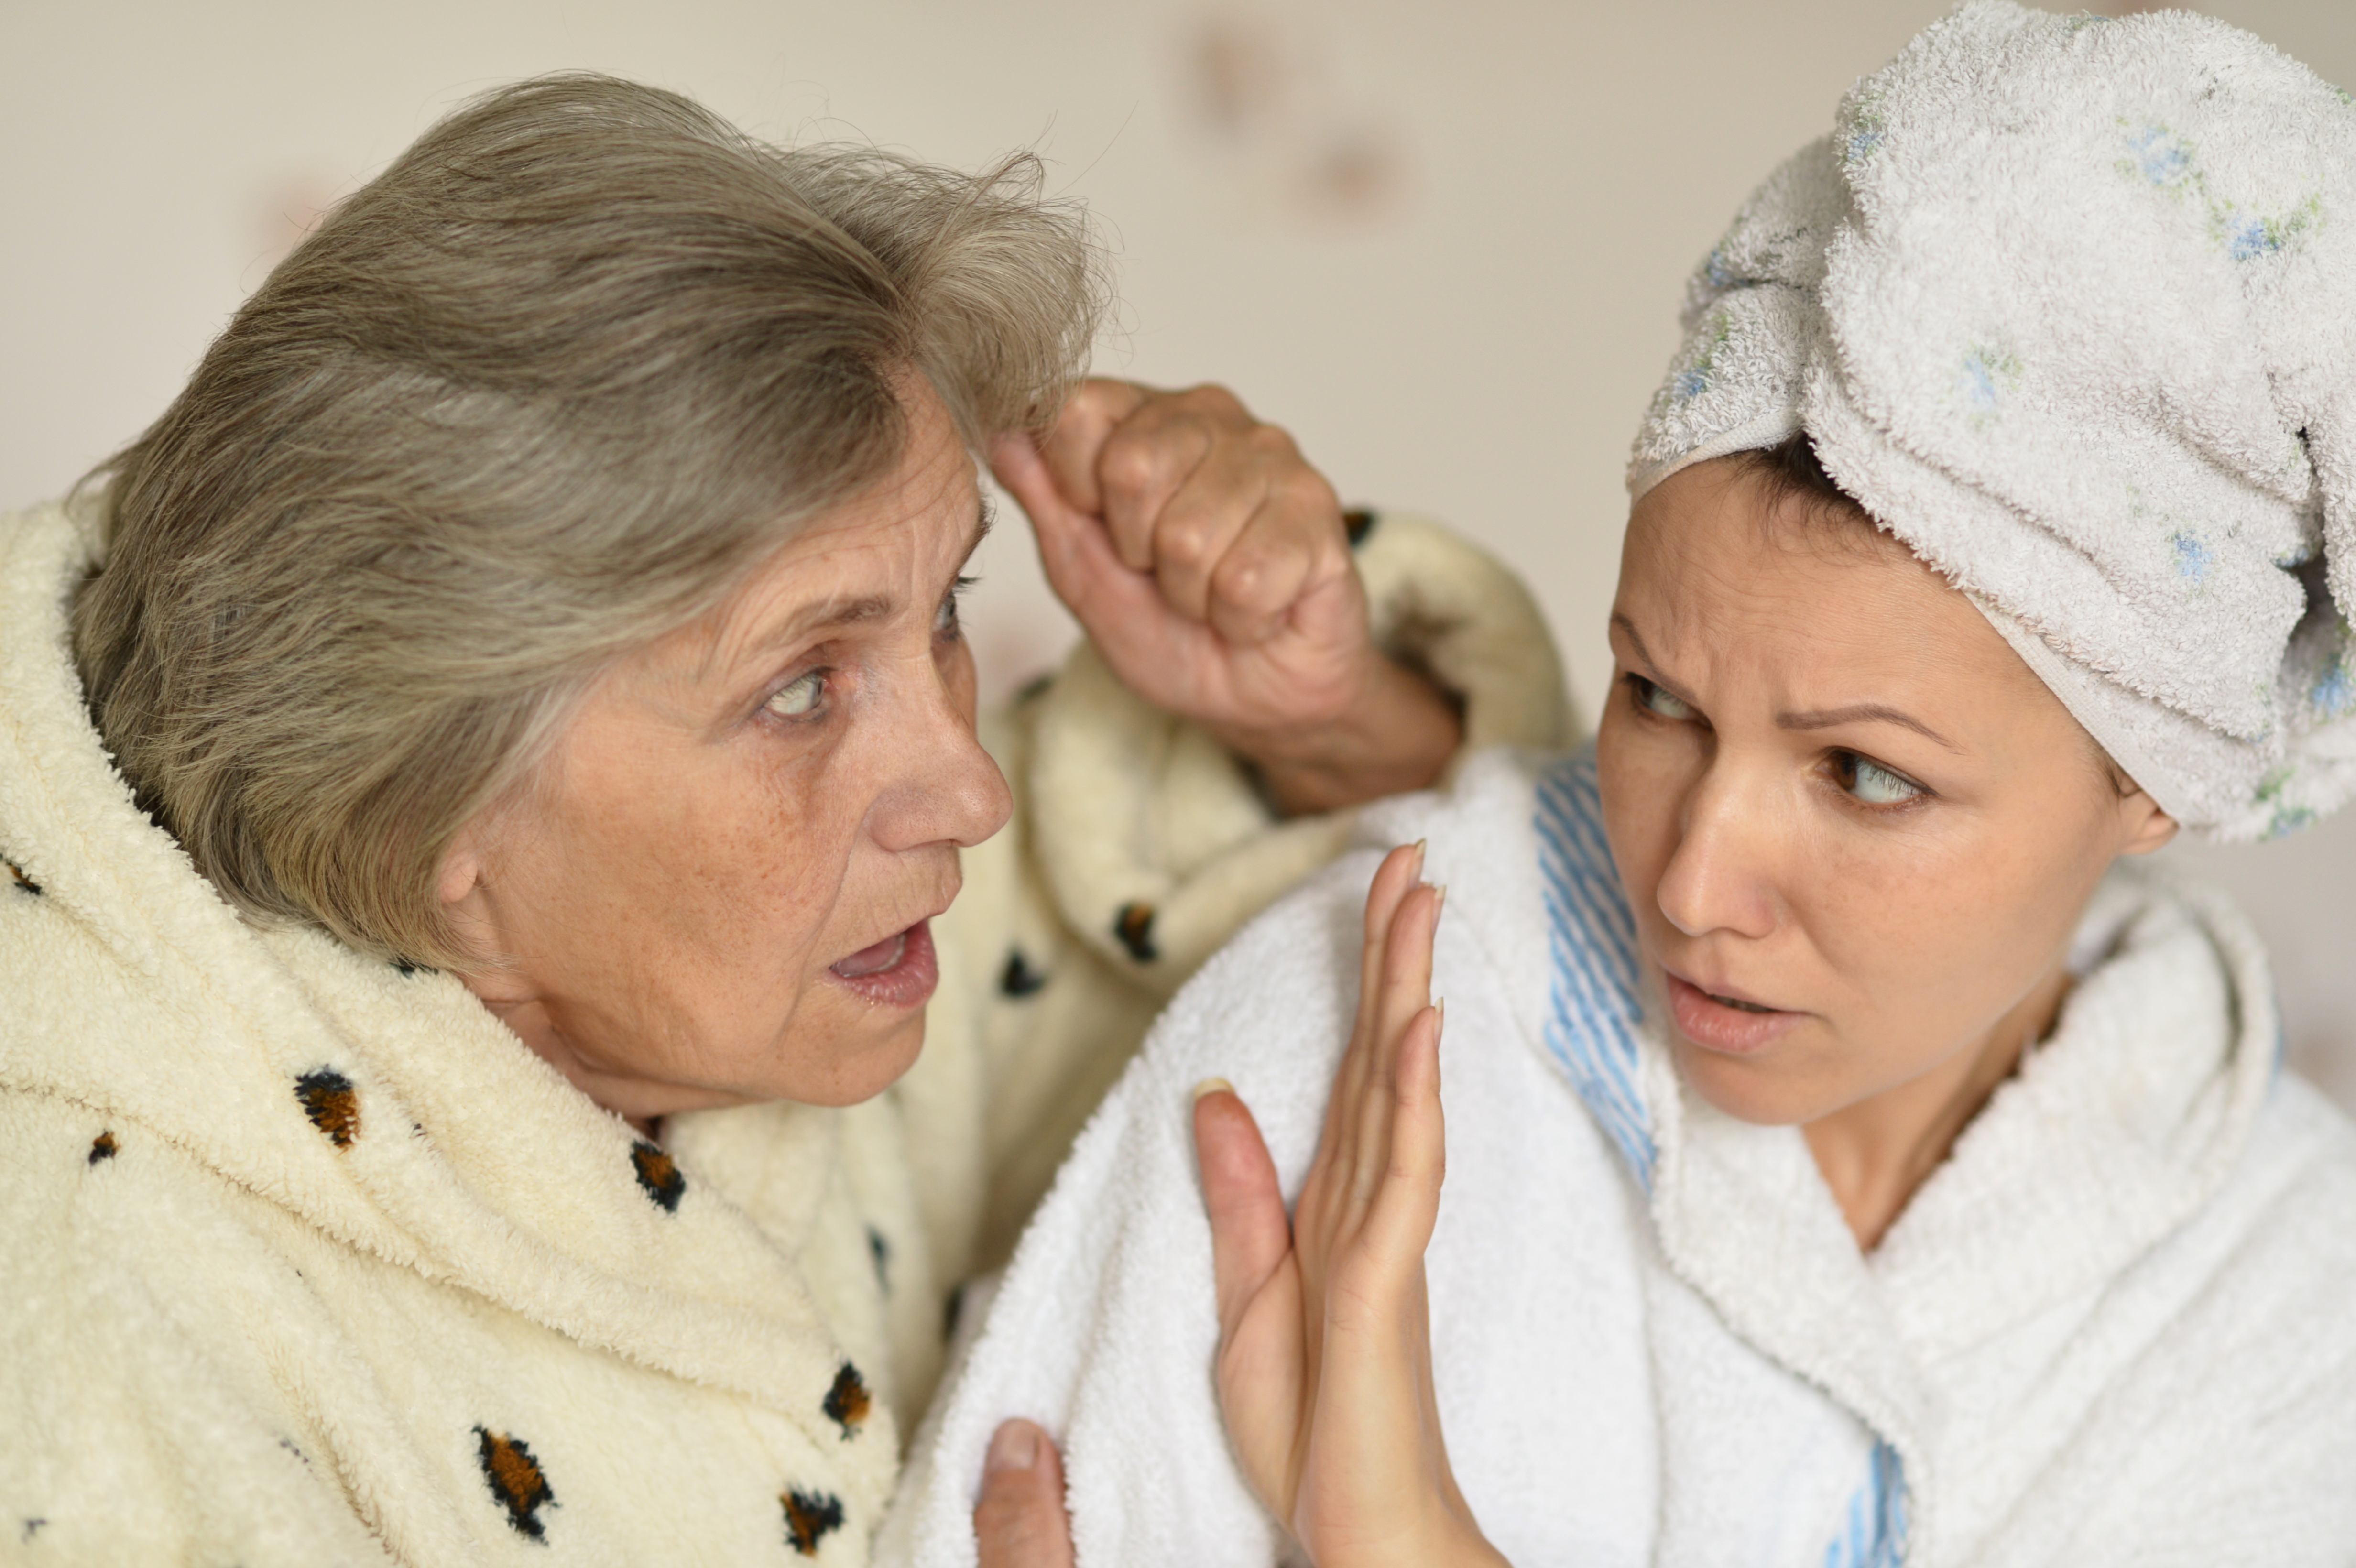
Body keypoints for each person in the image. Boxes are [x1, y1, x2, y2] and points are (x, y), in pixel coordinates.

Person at [0, 76, 1567, 1563]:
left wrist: (1317, 717)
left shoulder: (765, 990)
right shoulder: (92, 1323)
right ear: (430, 812)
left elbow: (1249, 960)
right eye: (804, 689)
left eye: (944, 609)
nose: (971, 786)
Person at [897, 6, 2356, 1564]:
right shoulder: (1376, 1025)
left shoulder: (2284, 1305)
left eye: (1864, 774)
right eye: (1657, 698)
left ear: (2155, 782)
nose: (1687, 881)